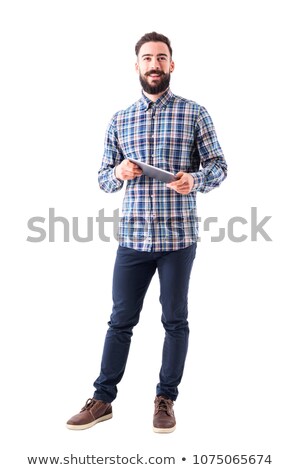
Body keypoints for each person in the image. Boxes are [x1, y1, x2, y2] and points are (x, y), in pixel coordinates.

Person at [66, 31, 227, 433]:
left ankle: (165, 399)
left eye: (161, 58)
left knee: (175, 320)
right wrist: (118, 172)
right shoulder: (120, 120)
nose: (154, 64)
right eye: (147, 58)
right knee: (120, 320)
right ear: (136, 66)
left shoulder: (195, 113)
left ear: (172, 64)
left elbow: (219, 167)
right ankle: (103, 399)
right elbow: (102, 179)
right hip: (133, 241)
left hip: (178, 240)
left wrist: (196, 179)